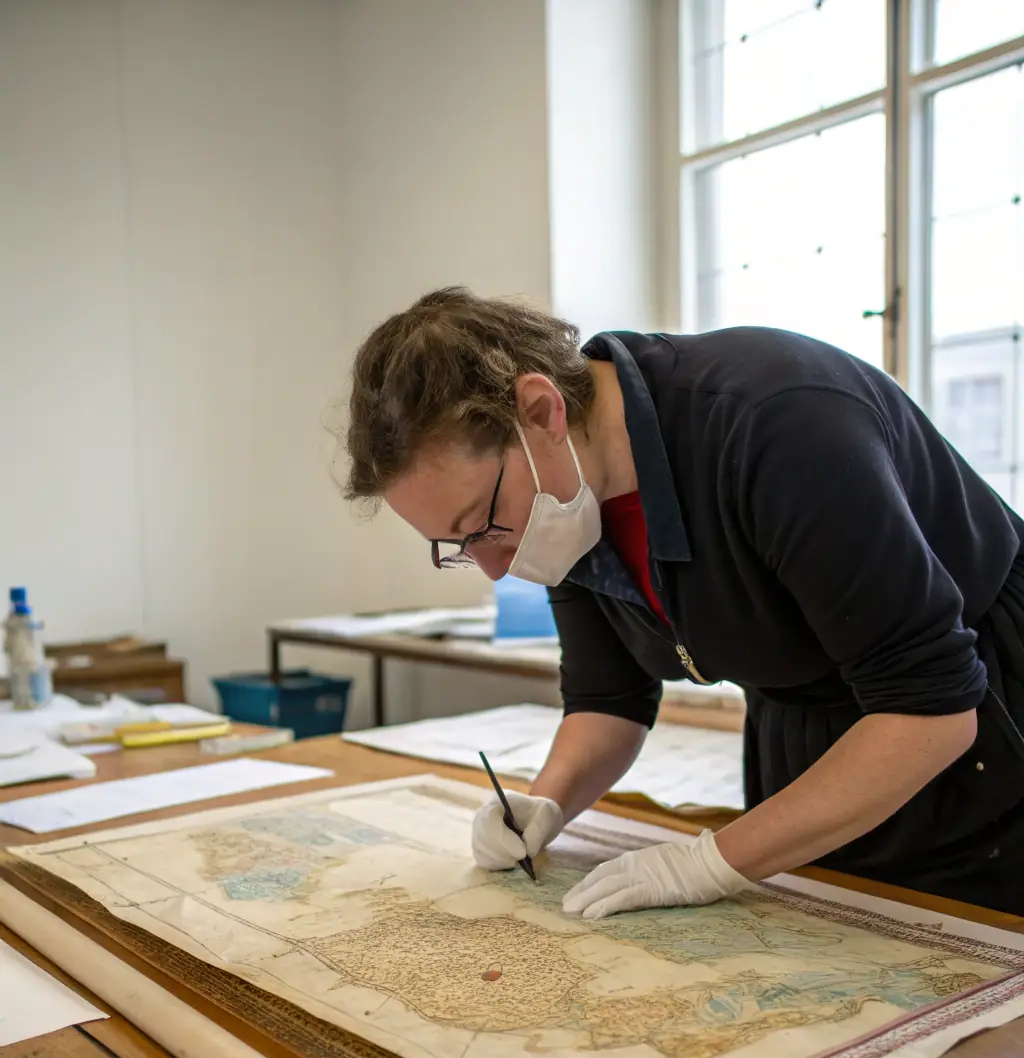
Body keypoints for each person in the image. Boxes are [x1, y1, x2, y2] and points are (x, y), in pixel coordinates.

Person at [342, 287, 1024, 919]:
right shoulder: (560, 501)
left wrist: (711, 860)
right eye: (454, 545)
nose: (494, 567)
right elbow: (609, 702)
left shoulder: (776, 423)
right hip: (809, 729)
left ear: (542, 411)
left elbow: (929, 713)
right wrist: (543, 803)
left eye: (482, 523)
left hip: (983, 723)